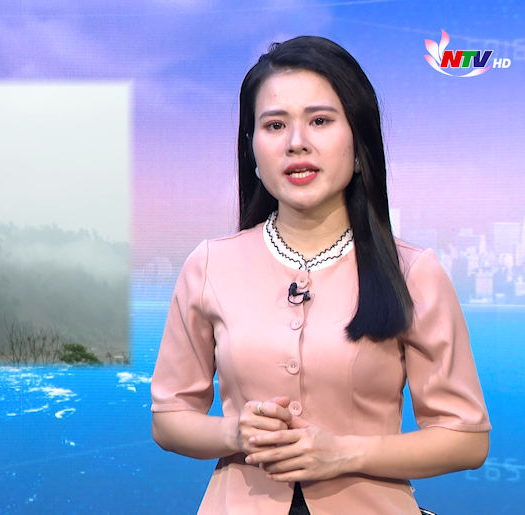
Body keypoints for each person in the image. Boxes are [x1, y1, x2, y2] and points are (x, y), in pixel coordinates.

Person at [150, 36, 491, 514]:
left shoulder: (414, 273)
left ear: (358, 143)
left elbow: (466, 438)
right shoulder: (209, 265)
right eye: (274, 125)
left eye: (320, 121)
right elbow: (169, 418)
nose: (297, 142)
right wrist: (234, 433)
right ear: (252, 149)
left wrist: (344, 453)